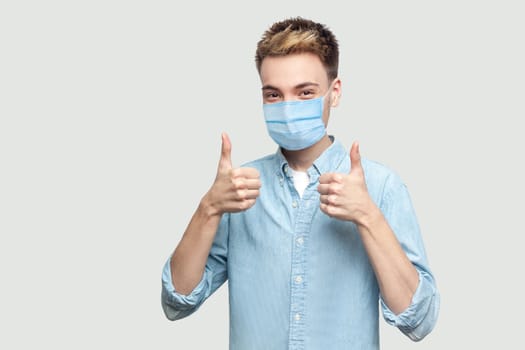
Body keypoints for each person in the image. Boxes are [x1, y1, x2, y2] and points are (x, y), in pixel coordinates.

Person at [161, 17, 440, 349]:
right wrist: (208, 208)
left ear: (333, 93)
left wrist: (368, 216)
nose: (289, 108)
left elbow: (419, 320)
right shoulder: (238, 190)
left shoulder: (381, 187)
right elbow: (177, 302)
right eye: (274, 95)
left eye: (305, 92)